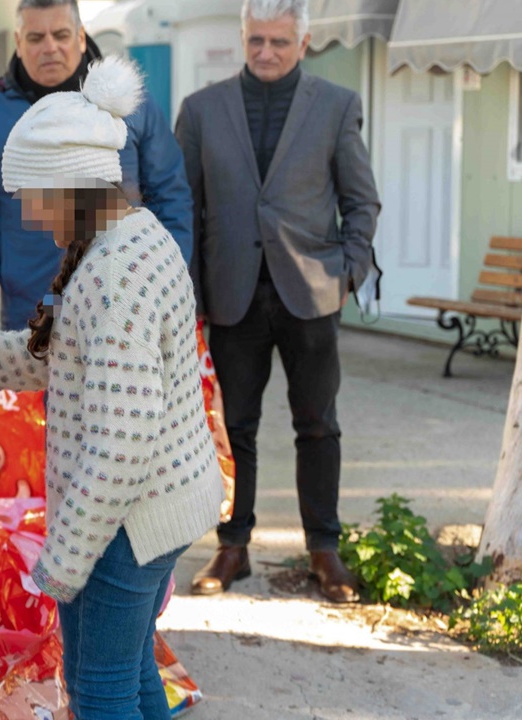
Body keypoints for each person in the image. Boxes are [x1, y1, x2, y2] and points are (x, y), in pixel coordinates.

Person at [0, 57, 222, 719]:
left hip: (129, 522)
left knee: (98, 692)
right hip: (160, 506)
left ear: (70, 186)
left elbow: (124, 440)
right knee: (131, 677)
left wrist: (66, 560)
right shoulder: (128, 239)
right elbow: (51, 356)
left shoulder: (114, 274)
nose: (30, 218)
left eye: (32, 199)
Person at [175, 0, 380, 603]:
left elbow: (361, 200)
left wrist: (349, 270)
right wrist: (187, 296)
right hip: (231, 295)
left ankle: (324, 549)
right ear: (243, 37)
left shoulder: (337, 106)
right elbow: (183, 210)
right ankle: (232, 546)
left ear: (304, 43)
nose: (267, 52)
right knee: (233, 428)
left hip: (310, 294)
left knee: (318, 425)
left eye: (279, 43)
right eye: (257, 40)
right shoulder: (202, 110)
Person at [0, 0, 193, 334]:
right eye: (36, 38)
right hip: (32, 321)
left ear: (80, 36)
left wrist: (165, 290)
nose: (50, 47)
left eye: (60, 34)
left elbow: (172, 201)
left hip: (124, 311)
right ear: (18, 42)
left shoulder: (135, 110)